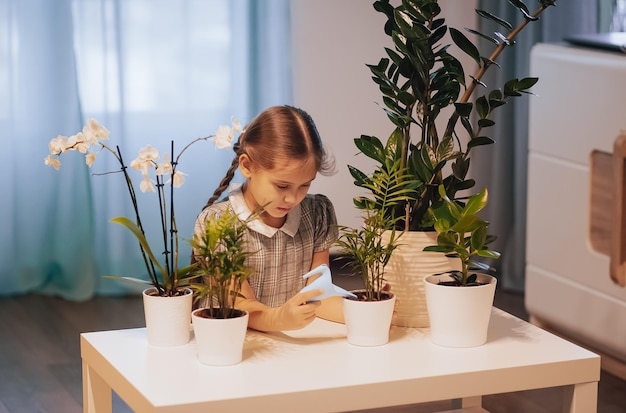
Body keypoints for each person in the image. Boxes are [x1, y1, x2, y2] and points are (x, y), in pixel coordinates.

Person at [193, 105, 343, 332]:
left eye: (305, 184)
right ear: (247, 166)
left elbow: (318, 295)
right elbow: (238, 306)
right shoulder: (217, 223)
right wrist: (279, 319)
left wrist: (365, 314)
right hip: (233, 345)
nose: (293, 198)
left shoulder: (316, 213)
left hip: (288, 348)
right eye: (282, 185)